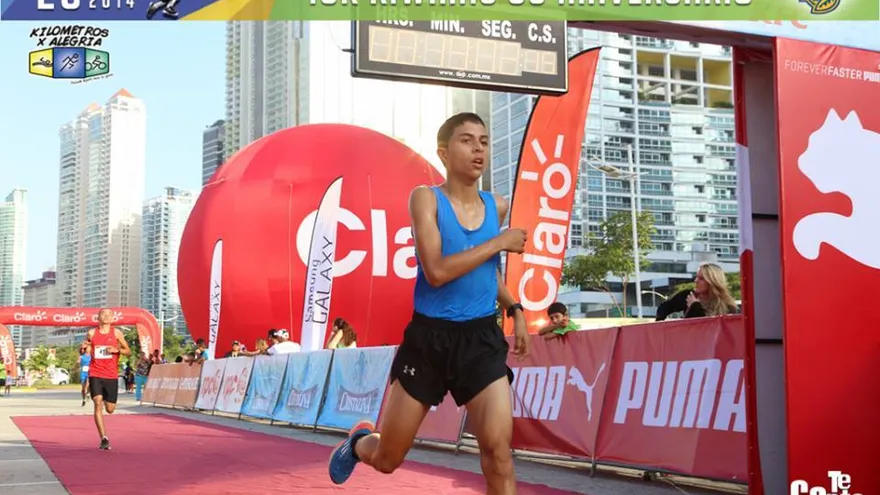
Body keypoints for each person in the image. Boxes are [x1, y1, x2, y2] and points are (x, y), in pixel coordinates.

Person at [328, 113, 530, 494]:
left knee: (498, 453)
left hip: (481, 341)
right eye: (467, 140)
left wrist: (514, 307)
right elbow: (436, 270)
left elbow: (486, 272)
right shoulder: (425, 199)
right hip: (429, 342)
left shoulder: (496, 206)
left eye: (484, 141)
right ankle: (358, 443)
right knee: (388, 458)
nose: (478, 149)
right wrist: (499, 242)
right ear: (443, 151)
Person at [83, 308, 132, 450]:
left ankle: (106, 398)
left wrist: (117, 350)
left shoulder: (117, 333)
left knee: (110, 409)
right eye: (103, 314)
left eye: (109, 314)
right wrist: (83, 348)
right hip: (95, 373)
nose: (106, 316)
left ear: (112, 318)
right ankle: (104, 438)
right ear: (98, 317)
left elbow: (128, 351)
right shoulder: (92, 333)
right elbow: (85, 348)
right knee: (97, 403)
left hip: (111, 375)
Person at [655, 263, 739, 321]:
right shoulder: (688, 295)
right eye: (696, 277)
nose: (696, 281)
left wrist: (695, 307)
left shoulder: (728, 306)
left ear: (712, 281)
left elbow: (704, 327)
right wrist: (659, 323)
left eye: (701, 278)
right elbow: (664, 307)